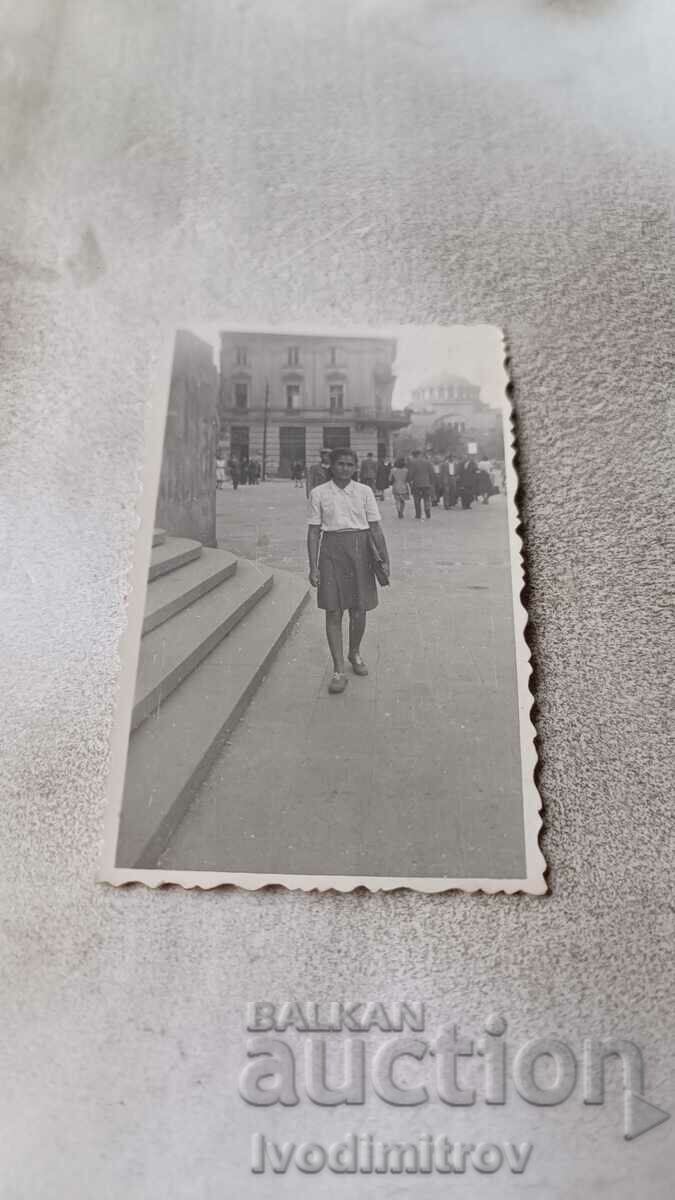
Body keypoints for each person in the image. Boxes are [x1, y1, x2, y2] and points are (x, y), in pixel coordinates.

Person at [307, 447, 389, 695]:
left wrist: (385, 559)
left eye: (349, 464)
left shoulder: (364, 492)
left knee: (359, 609)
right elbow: (313, 532)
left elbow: (375, 527)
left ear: (355, 467)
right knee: (333, 610)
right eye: (340, 464)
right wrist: (313, 566)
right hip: (331, 551)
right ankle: (338, 669)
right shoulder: (318, 493)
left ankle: (354, 652)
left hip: (361, 550)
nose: (345, 468)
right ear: (330, 466)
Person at [406, 449, 436, 519]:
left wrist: (409, 480)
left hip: (417, 484)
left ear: (413, 455)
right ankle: (427, 512)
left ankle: (418, 514)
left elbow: (410, 474)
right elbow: (432, 473)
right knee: (426, 498)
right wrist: (431, 482)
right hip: (426, 483)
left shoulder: (412, 462)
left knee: (417, 499)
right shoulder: (427, 462)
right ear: (420, 454)